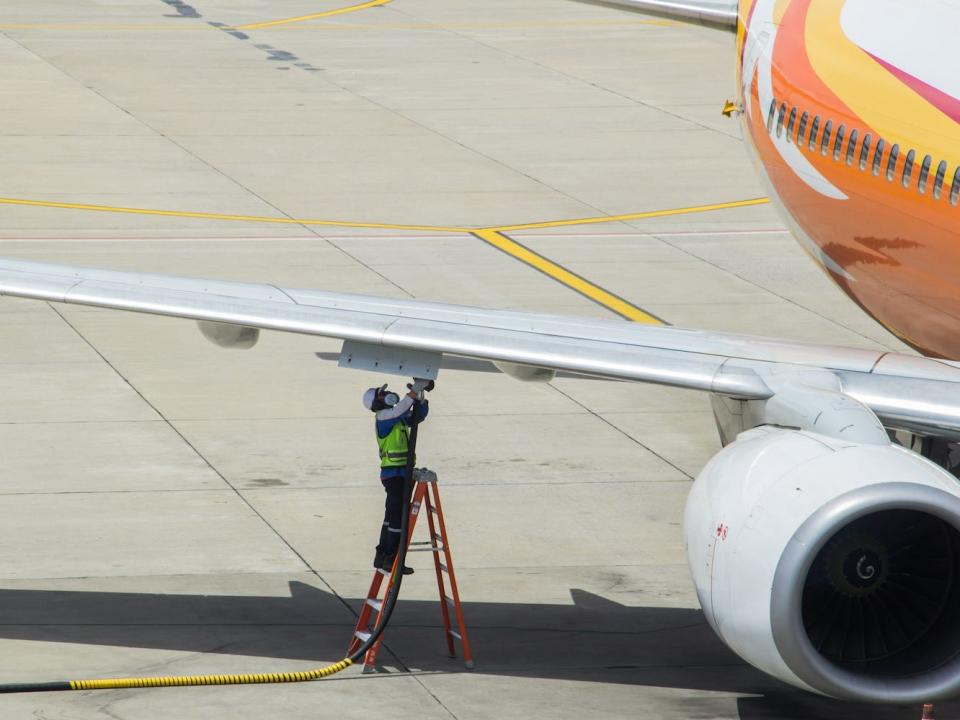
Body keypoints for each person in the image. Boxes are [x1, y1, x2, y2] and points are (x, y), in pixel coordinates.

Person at [362, 380, 431, 573]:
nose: (388, 395)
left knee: (390, 517)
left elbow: (418, 416)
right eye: (382, 395)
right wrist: (414, 391)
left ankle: (381, 556)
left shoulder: (396, 418)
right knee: (398, 519)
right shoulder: (384, 417)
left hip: (400, 474)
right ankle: (391, 561)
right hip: (395, 475)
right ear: (377, 403)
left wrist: (420, 397)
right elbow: (401, 408)